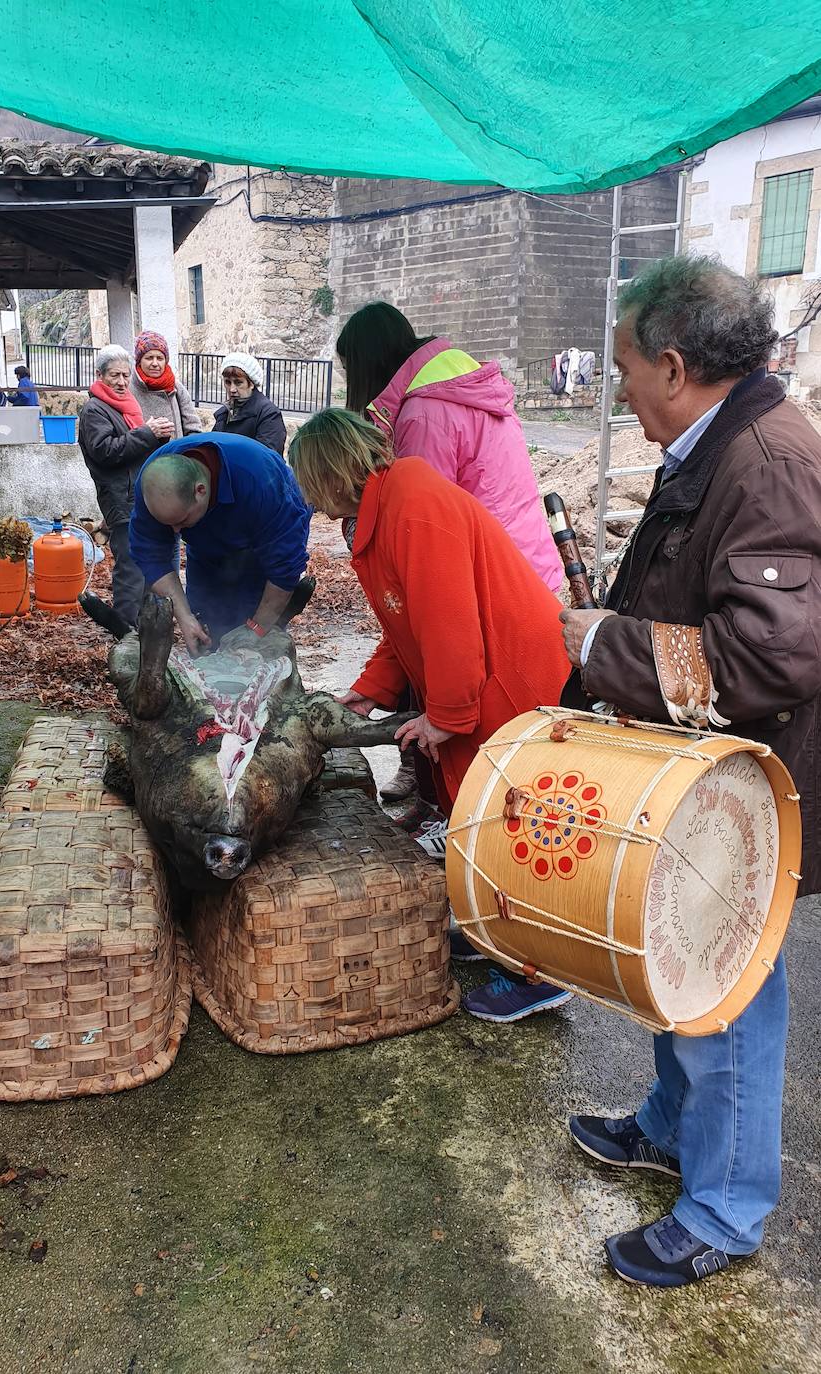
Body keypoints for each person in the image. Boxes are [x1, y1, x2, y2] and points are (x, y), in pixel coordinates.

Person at [559, 255, 821, 1288]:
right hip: (698, 770)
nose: (615, 388)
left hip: (752, 784)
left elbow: (768, 657)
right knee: (673, 958)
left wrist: (598, 644)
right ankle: (670, 1127)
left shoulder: (769, 459)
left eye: (622, 368)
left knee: (728, 982)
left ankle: (721, 1211)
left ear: (671, 365)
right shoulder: (715, 441)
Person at [289, 408, 573, 1023]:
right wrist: (368, 689)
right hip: (482, 673)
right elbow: (406, 623)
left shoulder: (413, 506)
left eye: (307, 482)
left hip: (510, 678)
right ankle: (491, 933)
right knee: (480, 822)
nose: (307, 498)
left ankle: (539, 968)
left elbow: (448, 626)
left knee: (510, 821)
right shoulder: (384, 510)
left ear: (328, 474)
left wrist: (444, 715)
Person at [337, 302, 561, 804]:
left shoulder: (423, 412)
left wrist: (445, 716)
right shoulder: (467, 384)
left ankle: (450, 803)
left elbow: (423, 540)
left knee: (474, 697)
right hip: (522, 555)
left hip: (485, 571)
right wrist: (374, 687)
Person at [130, 432, 310, 651]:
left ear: (200, 491)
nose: (175, 531)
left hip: (260, 547)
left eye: (181, 520)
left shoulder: (262, 482)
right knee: (206, 619)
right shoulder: (154, 483)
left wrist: (257, 629)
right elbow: (150, 554)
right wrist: (185, 617)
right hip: (205, 550)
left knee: (254, 634)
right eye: (167, 524)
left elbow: (284, 568)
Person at [78, 343, 173, 625]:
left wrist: (157, 435)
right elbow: (106, 451)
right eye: (114, 376)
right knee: (130, 570)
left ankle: (146, 630)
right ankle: (128, 634)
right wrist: (147, 433)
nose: (121, 382)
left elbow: (133, 448)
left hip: (140, 498)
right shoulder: (94, 410)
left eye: (125, 375)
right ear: (99, 375)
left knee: (147, 565)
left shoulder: (124, 406)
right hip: (121, 500)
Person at [131, 330, 202, 439]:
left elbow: (193, 427)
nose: (155, 363)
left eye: (160, 358)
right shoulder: (129, 390)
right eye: (149, 358)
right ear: (139, 361)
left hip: (175, 453)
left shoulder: (176, 387)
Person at [211, 352, 287, 454]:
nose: (232, 389)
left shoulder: (268, 414)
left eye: (238, 382)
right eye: (228, 382)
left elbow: (268, 457)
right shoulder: (224, 414)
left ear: (251, 384)